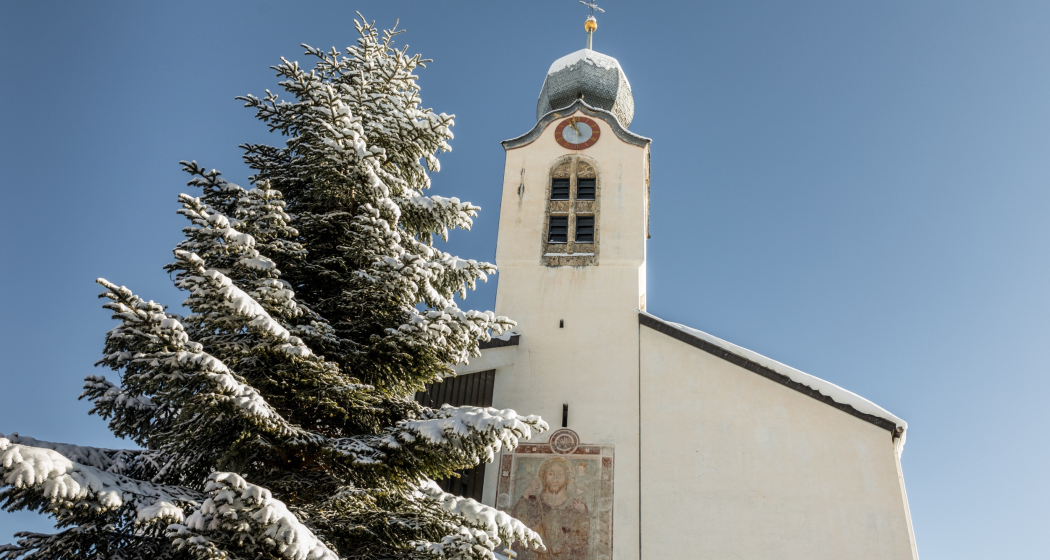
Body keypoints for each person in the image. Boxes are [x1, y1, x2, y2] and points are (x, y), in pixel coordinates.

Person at [511, 457, 590, 560]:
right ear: (544, 477)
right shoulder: (532, 501)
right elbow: (516, 525)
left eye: (560, 474)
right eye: (551, 474)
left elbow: (580, 540)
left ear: (567, 478)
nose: (555, 479)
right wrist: (526, 493)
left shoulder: (576, 506)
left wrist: (583, 514)